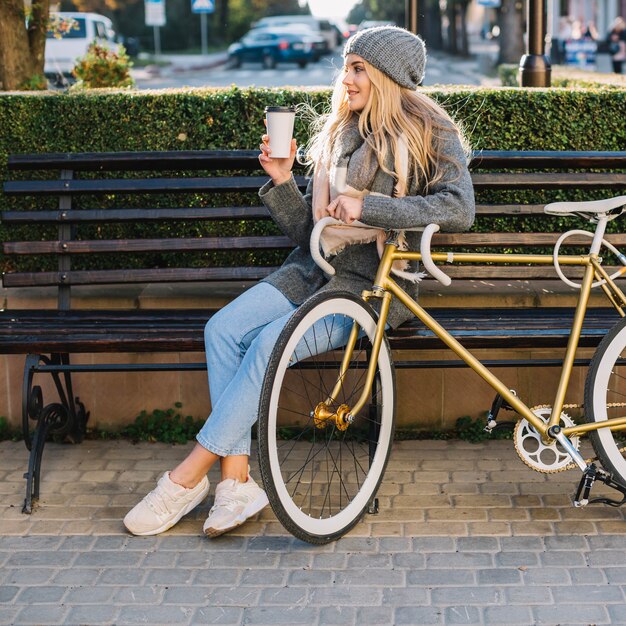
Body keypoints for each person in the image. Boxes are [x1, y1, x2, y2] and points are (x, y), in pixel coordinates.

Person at [123, 26, 476, 538]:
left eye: (358, 68)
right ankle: (237, 482)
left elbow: (459, 208)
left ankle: (187, 476)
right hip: (311, 271)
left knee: (270, 342)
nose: (345, 78)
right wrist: (286, 179)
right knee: (222, 330)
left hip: (372, 285)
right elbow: (311, 235)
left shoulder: (429, 132)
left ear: (386, 76)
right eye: (347, 67)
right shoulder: (340, 130)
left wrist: (370, 205)